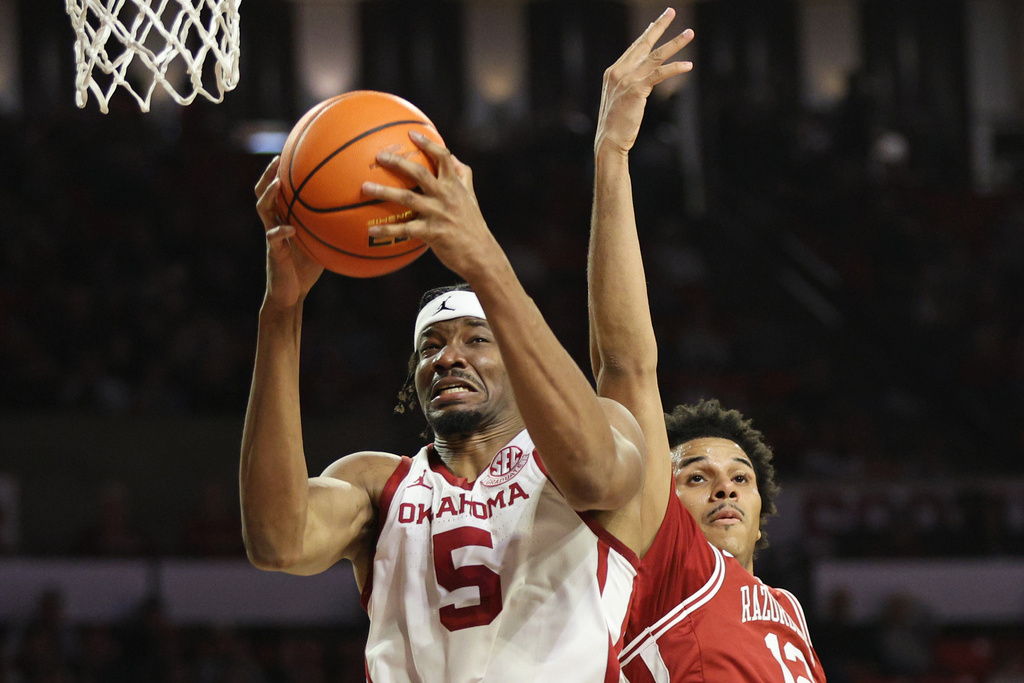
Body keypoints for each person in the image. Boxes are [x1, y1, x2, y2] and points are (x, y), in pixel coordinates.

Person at [241, 131, 646, 681]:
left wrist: (483, 260)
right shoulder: (377, 483)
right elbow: (274, 540)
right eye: (430, 346)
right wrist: (281, 309)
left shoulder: (591, 437)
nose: (448, 357)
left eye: (476, 339)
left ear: (520, 359)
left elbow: (596, 478)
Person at [588, 8, 826, 681]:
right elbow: (628, 365)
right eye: (695, 475)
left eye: (740, 478)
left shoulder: (788, 610)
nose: (723, 485)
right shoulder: (669, 564)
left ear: (761, 517)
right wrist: (612, 158)